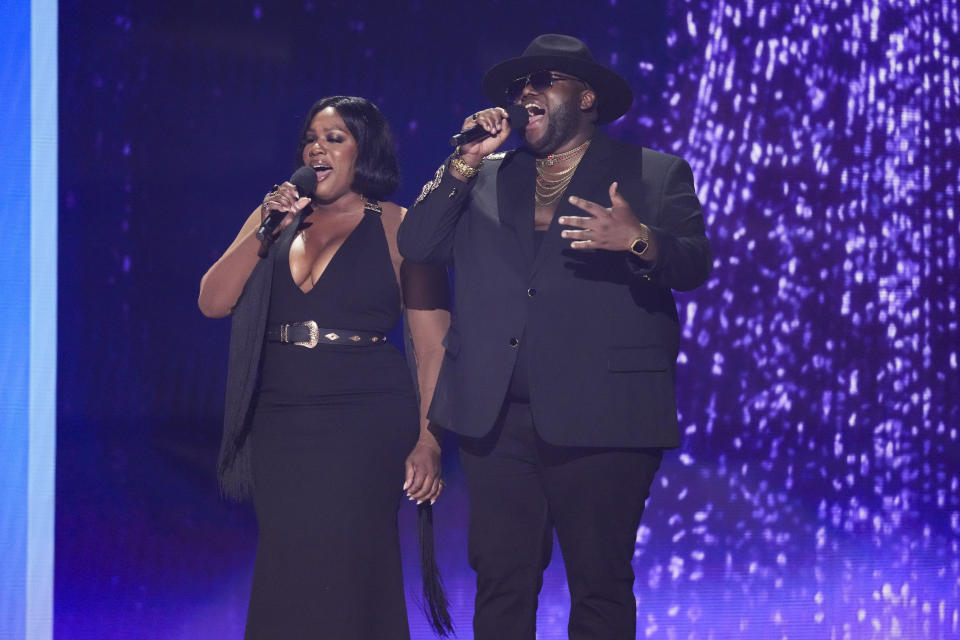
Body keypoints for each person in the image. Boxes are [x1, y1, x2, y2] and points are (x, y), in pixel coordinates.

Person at [398, 34, 712, 639]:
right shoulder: (484, 174)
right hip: (498, 417)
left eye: (542, 80)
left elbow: (694, 263)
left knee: (599, 585)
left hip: (605, 417)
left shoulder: (652, 172)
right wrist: (465, 159)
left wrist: (639, 239)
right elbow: (419, 247)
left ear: (586, 95)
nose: (524, 93)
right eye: (519, 86)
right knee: (502, 581)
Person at [198, 95, 452, 639]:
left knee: (351, 564)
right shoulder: (276, 219)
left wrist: (429, 440)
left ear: (366, 152)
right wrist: (266, 229)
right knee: (288, 565)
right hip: (281, 419)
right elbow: (214, 301)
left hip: (366, 420)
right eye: (311, 138)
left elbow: (433, 348)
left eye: (334, 138)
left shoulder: (398, 227)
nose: (317, 147)